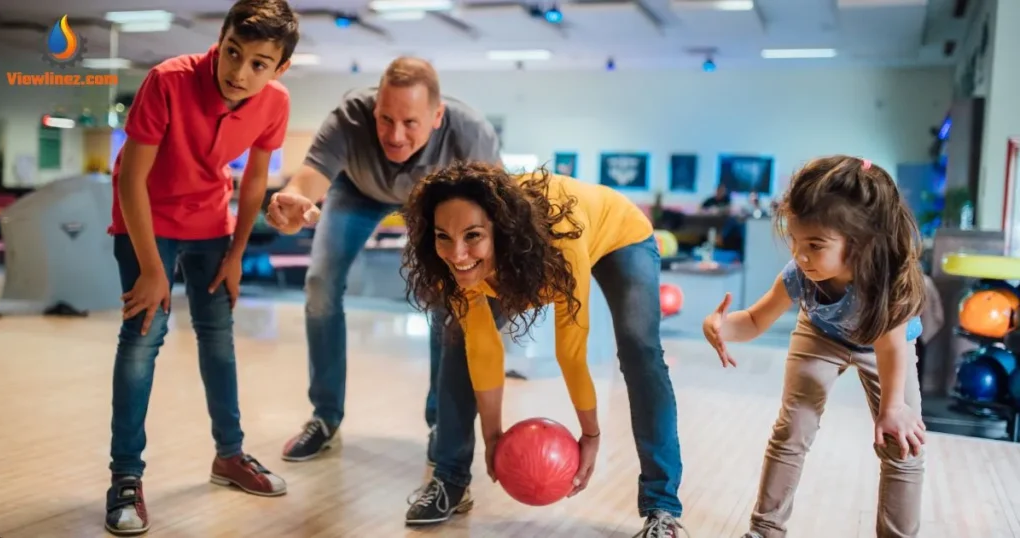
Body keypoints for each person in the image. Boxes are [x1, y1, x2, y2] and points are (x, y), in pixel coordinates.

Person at [397, 162, 688, 537]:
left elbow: (570, 351)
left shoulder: (562, 244)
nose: (456, 253)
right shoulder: (458, 262)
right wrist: (492, 437)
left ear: (501, 232)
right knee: (457, 341)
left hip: (620, 234)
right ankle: (450, 480)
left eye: (472, 236)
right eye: (442, 237)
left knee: (639, 348)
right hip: (525, 252)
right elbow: (484, 351)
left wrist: (591, 435)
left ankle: (662, 508)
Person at [103, 1, 298, 534]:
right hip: (144, 218)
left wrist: (235, 255)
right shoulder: (168, 81)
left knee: (218, 337)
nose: (239, 72)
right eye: (233, 53)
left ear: (279, 69)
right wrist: (150, 267)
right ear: (221, 37)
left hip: (209, 221)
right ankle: (126, 477)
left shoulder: (275, 103)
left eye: (259, 63)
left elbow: (255, 181)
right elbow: (130, 179)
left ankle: (229, 456)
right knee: (143, 337)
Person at [263, 58, 501, 463]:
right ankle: (324, 417)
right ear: (374, 108)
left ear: (437, 115)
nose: (395, 135)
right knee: (320, 283)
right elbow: (310, 178)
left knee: (448, 300)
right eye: (385, 119)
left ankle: (441, 421)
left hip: (435, 203)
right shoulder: (349, 118)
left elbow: (495, 211)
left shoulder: (470, 133)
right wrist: (294, 200)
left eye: (410, 123)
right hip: (357, 192)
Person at [701, 156, 927, 538]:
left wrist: (892, 409)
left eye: (815, 245)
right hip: (821, 334)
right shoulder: (801, 274)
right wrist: (722, 327)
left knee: (903, 443)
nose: (801, 256)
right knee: (792, 430)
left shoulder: (887, 283)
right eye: (794, 241)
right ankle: (765, 530)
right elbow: (756, 320)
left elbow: (891, 350)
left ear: (861, 243)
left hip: (885, 348)